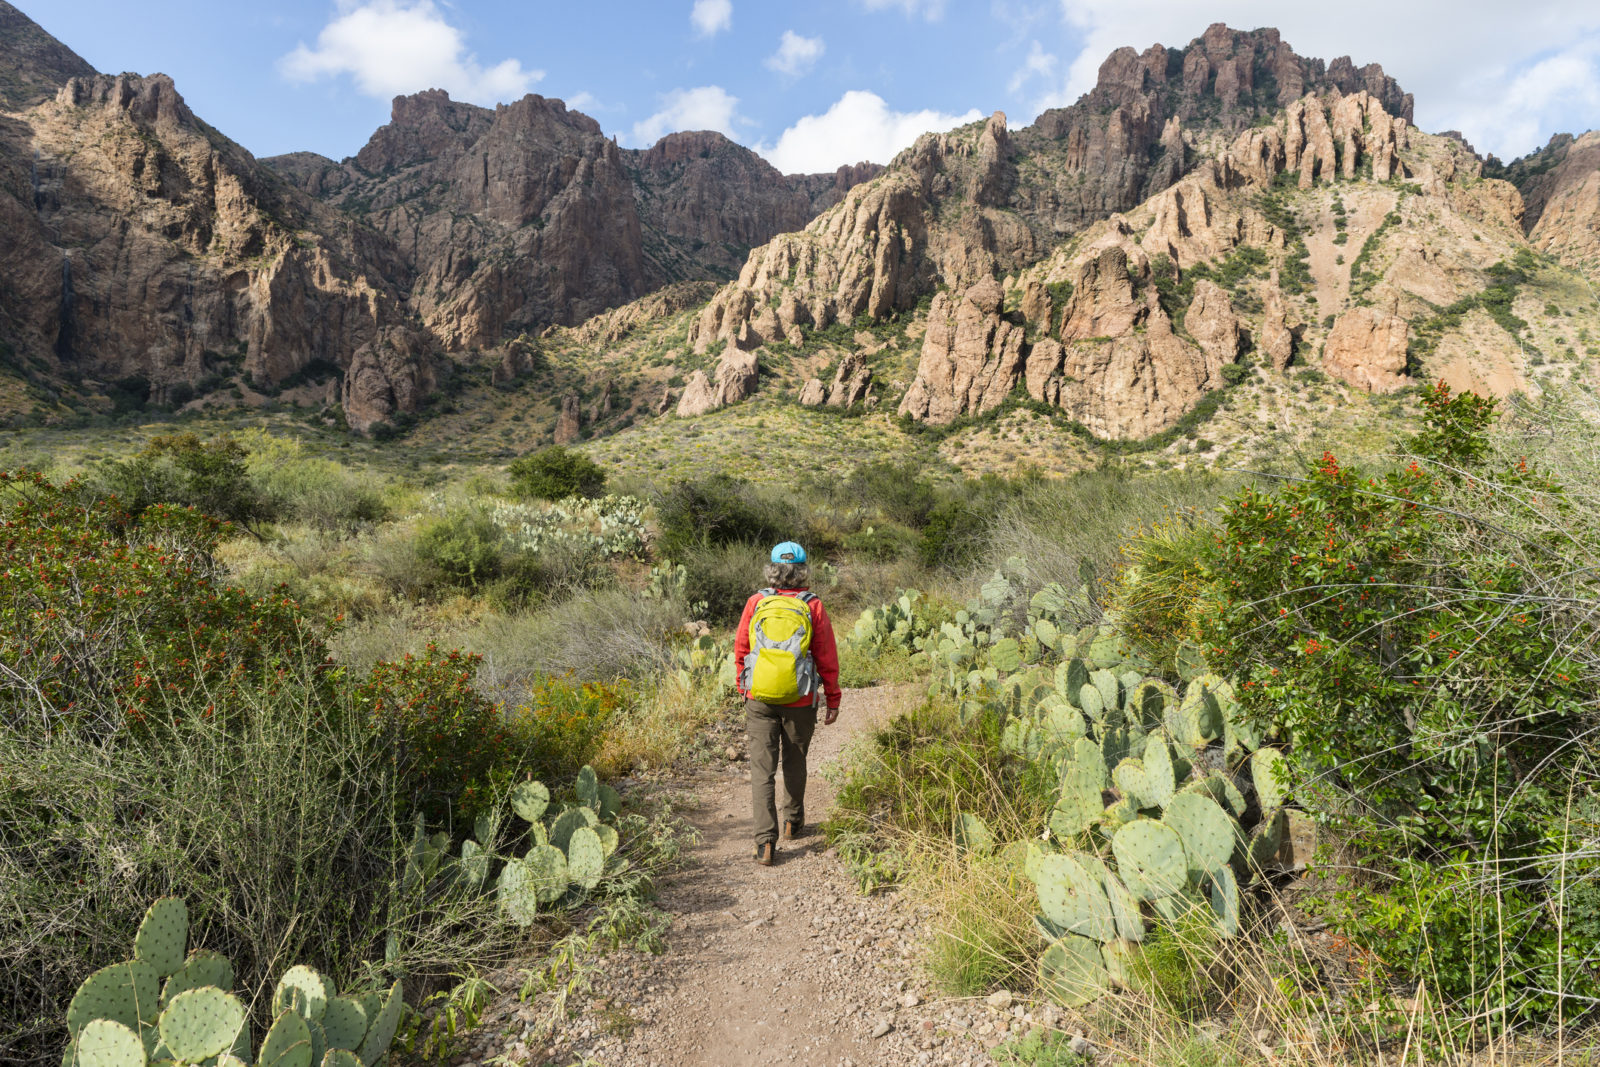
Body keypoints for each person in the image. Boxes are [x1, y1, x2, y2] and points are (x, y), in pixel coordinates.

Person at [734, 541, 841, 866]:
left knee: (762, 770)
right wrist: (832, 699)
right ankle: (793, 822)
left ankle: (766, 842)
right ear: (803, 570)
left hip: (760, 698)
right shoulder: (813, 605)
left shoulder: (756, 601)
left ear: (773, 570)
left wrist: (745, 687)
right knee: (795, 762)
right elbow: (826, 656)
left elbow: (741, 648)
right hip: (800, 697)